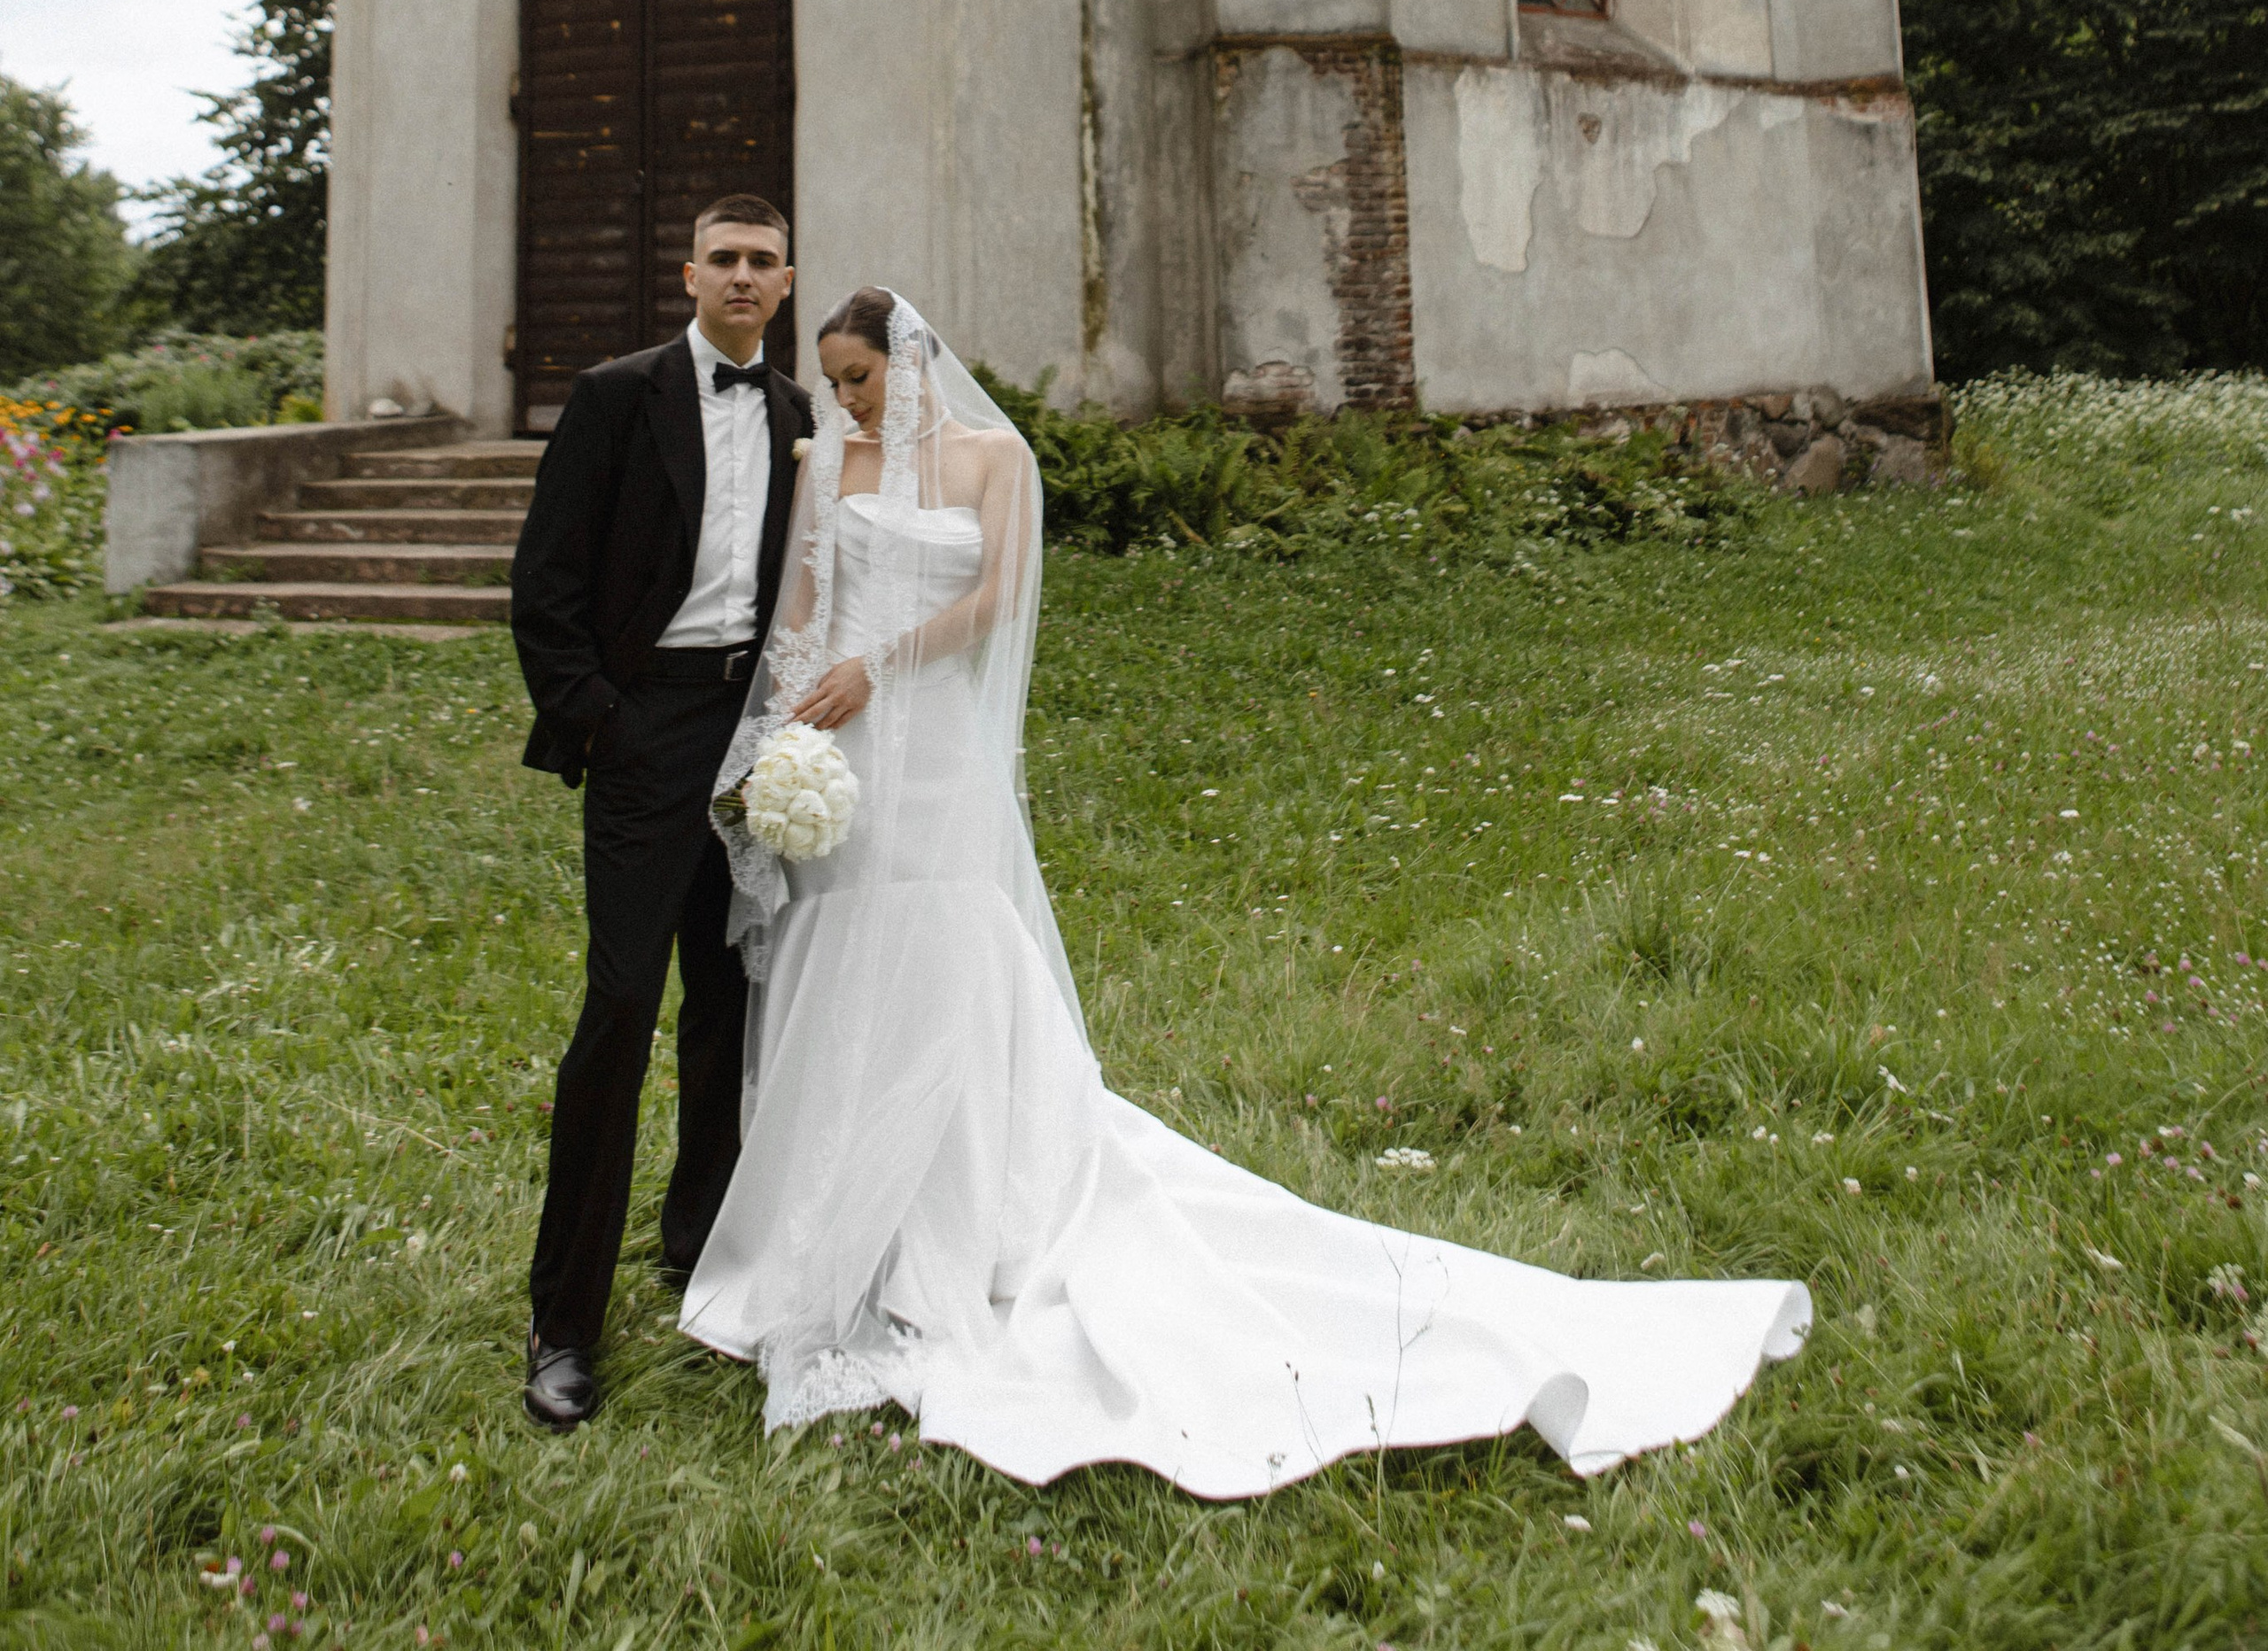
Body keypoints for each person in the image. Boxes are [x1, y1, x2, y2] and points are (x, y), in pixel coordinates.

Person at [680, 289, 1811, 1496]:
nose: (849, 401)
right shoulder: (827, 463)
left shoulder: (993, 458)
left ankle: (959, 1229)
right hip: (843, 751)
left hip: (936, 744)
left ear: (910, 365)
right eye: (837, 382)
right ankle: (833, 1236)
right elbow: (801, 613)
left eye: (861, 378)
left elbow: (994, 602)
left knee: (946, 952)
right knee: (840, 960)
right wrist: (783, 742)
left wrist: (879, 666)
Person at [509, 195, 813, 1432]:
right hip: (646, 732)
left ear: (787, 283)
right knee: (622, 1007)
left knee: (729, 1007)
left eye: (762, 261)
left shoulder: (801, 416)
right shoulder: (614, 396)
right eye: (722, 259)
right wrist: (601, 722)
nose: (741, 276)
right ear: (689, 275)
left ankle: (703, 1255)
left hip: (754, 735)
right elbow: (546, 581)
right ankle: (563, 1319)